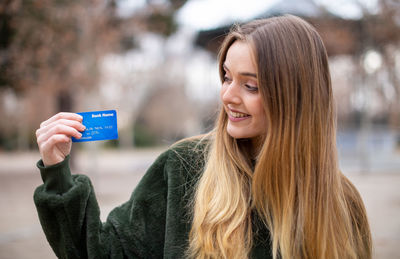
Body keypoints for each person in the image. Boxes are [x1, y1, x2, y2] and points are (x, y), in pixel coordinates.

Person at [34, 15, 372, 259]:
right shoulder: (183, 168)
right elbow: (102, 251)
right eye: (227, 77)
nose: (228, 96)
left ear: (295, 96)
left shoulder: (343, 202)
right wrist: (58, 175)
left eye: (250, 85)